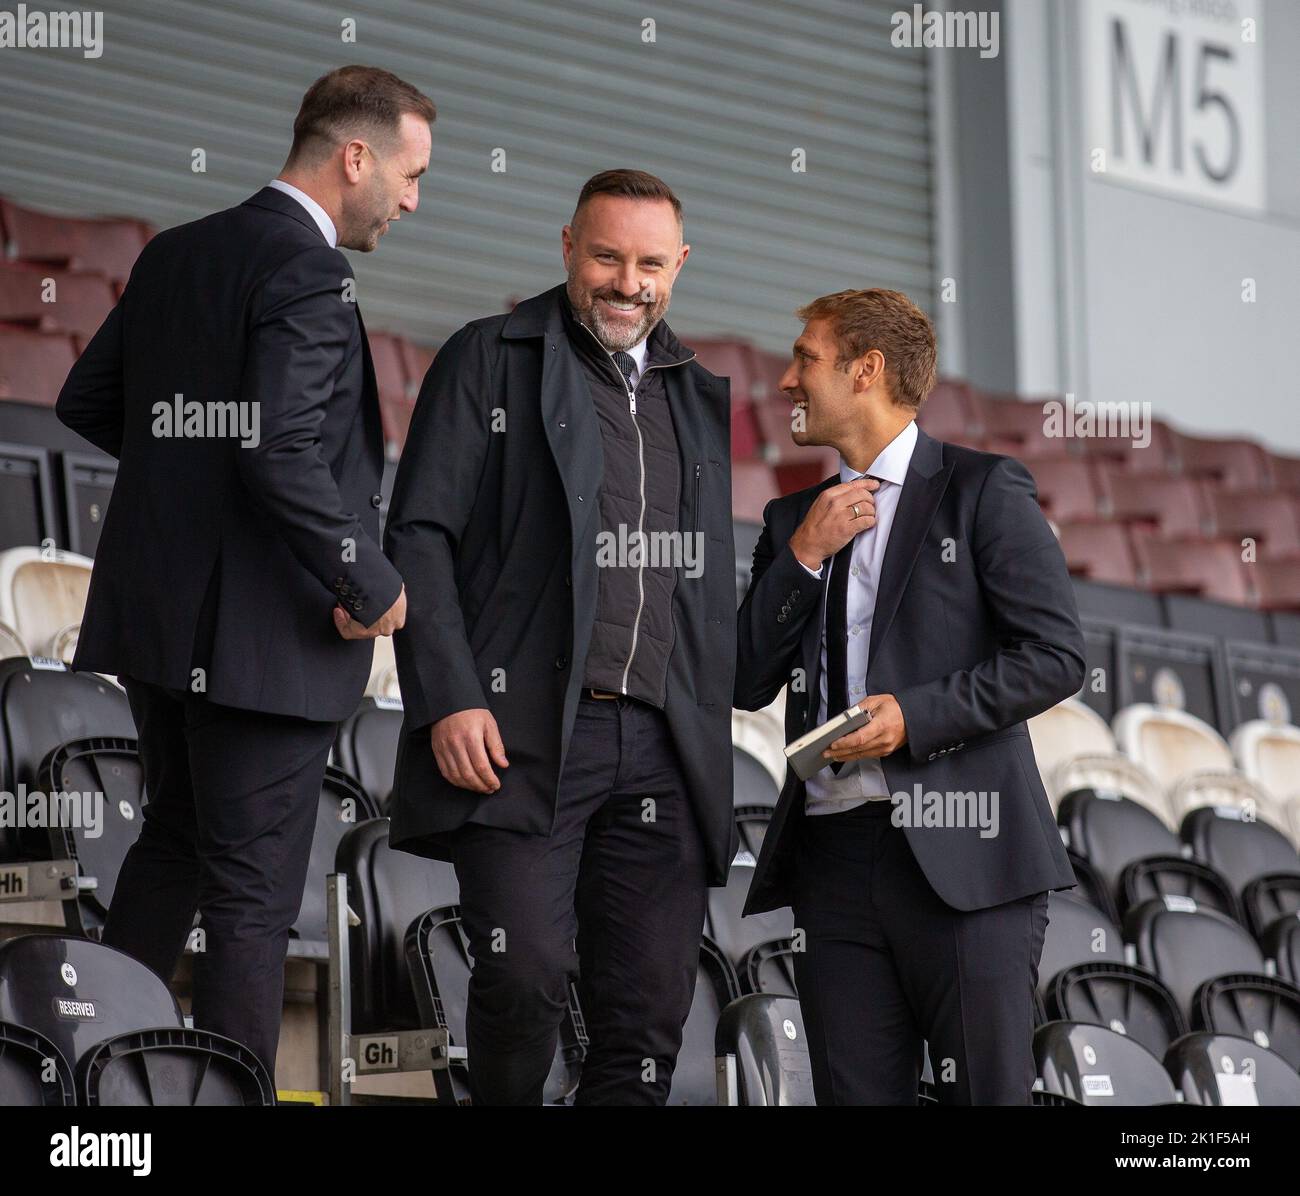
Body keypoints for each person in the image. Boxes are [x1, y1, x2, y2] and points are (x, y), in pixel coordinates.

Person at [54, 64, 435, 1082]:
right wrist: (372, 580)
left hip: (162, 626)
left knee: (170, 848)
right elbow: (279, 449)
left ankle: (82, 1070)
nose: (411, 199)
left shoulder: (177, 251)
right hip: (265, 644)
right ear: (354, 156)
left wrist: (190, 486)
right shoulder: (309, 271)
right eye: (408, 173)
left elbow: (89, 401)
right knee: (252, 898)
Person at [385, 169, 737, 1105]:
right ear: (569, 247)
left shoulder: (695, 393)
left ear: (680, 266)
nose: (629, 282)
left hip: (662, 746)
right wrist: (450, 694)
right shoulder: (487, 356)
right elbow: (417, 536)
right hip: (523, 732)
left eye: (651, 263)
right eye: (609, 256)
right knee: (525, 974)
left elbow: (698, 585)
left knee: (650, 1017)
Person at [734, 288, 1083, 1104]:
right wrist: (804, 555)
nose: (786, 381)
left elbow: (1057, 656)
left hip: (965, 858)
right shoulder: (794, 516)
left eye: (806, 360)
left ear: (866, 371)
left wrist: (912, 717)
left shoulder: (983, 489)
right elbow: (745, 677)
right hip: (832, 859)